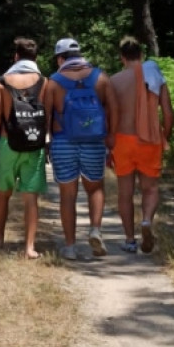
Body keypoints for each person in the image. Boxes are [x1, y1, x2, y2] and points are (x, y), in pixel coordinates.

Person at [45, 37, 118, 260]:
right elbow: (114, 110)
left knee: (68, 195)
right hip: (94, 142)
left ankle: (69, 246)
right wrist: (111, 137)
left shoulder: (54, 82)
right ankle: (95, 230)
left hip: (63, 142)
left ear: (60, 58)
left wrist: (47, 144)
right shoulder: (101, 78)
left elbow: (46, 116)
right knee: (95, 189)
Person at [0, 37, 48, 259]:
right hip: (34, 145)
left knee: (4, 193)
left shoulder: (2, 82)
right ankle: (29, 248)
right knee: (31, 197)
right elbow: (46, 115)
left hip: (7, 143)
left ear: (16, 57)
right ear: (35, 58)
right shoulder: (44, 82)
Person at [109, 35, 174, 253]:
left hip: (123, 141)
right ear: (141, 55)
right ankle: (146, 220)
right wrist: (165, 135)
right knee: (150, 188)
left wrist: (108, 144)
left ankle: (129, 240)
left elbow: (109, 116)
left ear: (122, 58)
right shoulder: (155, 75)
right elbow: (167, 112)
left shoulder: (115, 81)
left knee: (125, 193)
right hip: (150, 140)